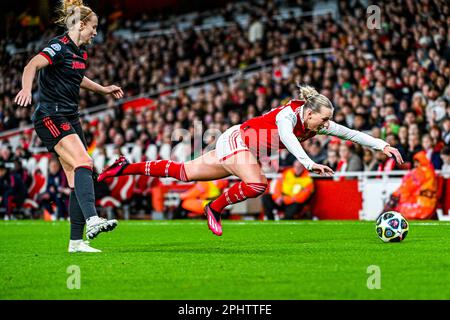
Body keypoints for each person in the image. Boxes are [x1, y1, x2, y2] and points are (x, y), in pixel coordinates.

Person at [98, 85, 403, 236]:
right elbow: (288, 139)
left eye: (327, 121)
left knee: (183, 173)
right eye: (323, 120)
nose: (326, 125)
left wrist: (383, 145)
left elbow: (351, 134)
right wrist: (309, 163)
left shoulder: (317, 121)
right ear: (309, 113)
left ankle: (124, 166)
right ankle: (214, 208)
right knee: (258, 183)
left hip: (244, 148)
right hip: (237, 140)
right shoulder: (288, 116)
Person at [14, 0, 124, 252]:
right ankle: (93, 219)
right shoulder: (58, 46)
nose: (96, 32)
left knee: (77, 176)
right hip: (51, 117)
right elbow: (32, 64)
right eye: (93, 27)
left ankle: (76, 242)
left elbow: (78, 77)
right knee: (85, 162)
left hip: (70, 117)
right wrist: (26, 88)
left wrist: (103, 89)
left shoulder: (80, 52)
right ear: (81, 24)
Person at [384, 151, 438, 220]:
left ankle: (383, 217)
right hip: (431, 205)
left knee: (395, 199)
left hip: (418, 207)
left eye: (416, 162)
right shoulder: (430, 171)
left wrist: (395, 194)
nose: (415, 164)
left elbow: (406, 187)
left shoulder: (419, 172)